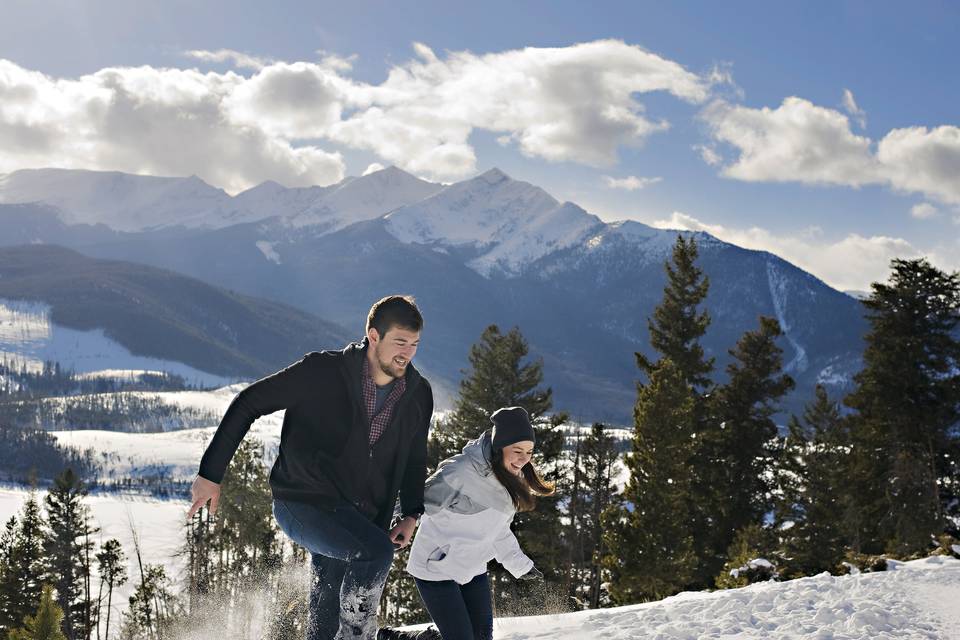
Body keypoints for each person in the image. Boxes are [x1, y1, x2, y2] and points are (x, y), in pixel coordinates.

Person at [187, 295, 434, 640]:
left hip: (360, 515)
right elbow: (249, 403)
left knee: (326, 607)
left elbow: (414, 458)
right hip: (304, 502)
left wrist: (411, 514)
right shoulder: (323, 372)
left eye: (415, 344)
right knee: (373, 551)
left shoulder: (418, 393)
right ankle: (358, 636)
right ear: (373, 335)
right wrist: (211, 474)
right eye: (400, 342)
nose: (407, 352)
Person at [403, 406, 555, 640]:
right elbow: (413, 504)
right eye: (517, 450)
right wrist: (391, 527)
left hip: (472, 568)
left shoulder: (515, 477)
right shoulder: (460, 473)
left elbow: (498, 531)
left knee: (482, 637)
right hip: (435, 567)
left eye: (529, 451)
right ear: (498, 446)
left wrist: (520, 565)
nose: (524, 459)